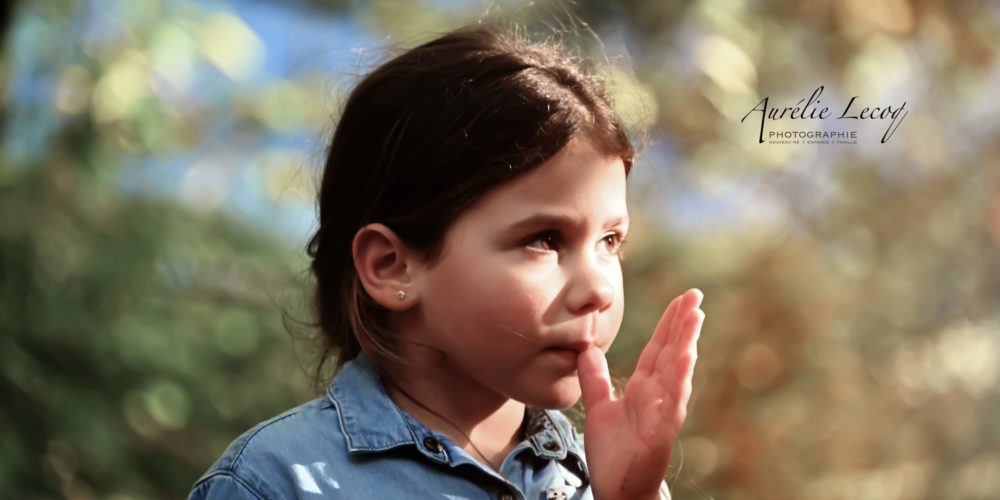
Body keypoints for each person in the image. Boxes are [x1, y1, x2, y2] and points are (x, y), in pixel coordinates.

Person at [188, 22, 704, 500]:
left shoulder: (610, 478)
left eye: (611, 241)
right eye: (545, 239)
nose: (599, 288)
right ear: (392, 266)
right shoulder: (276, 482)